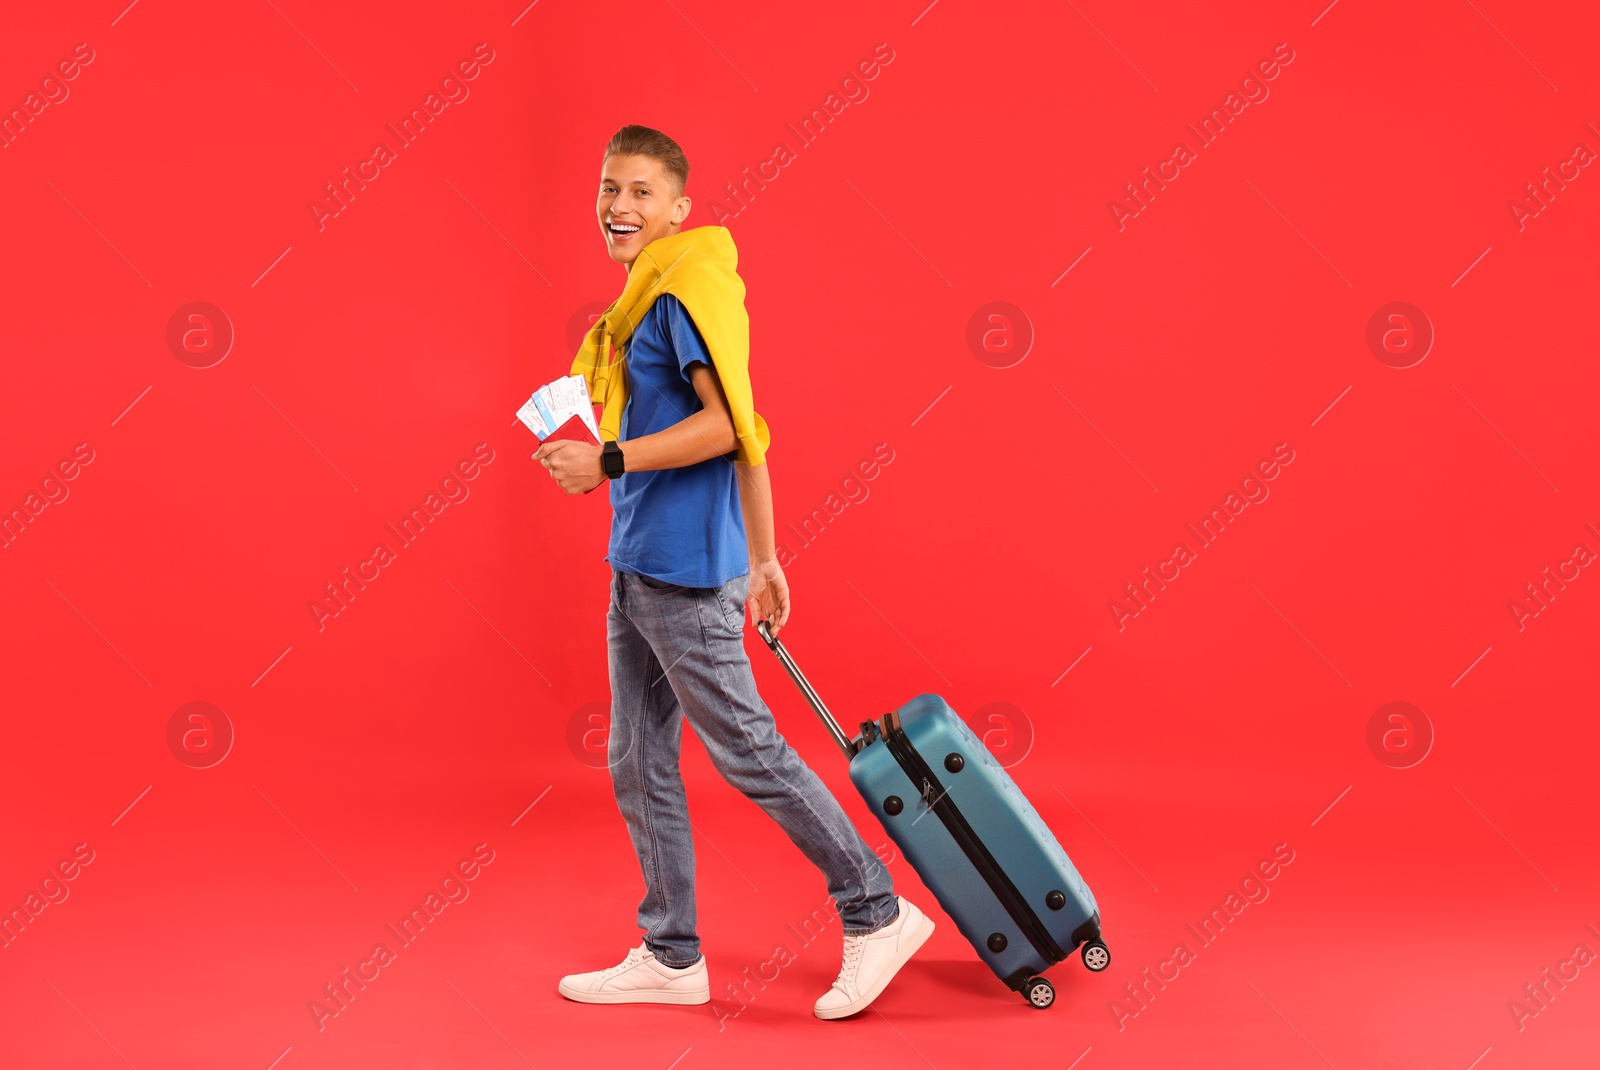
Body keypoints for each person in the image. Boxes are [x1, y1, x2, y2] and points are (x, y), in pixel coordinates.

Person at [537, 124, 932, 1020]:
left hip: (682, 576)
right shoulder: (651, 296)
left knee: (750, 755)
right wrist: (766, 558)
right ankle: (672, 954)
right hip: (638, 567)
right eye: (609, 189)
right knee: (637, 759)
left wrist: (606, 462)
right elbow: (756, 434)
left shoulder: (683, 295)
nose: (619, 207)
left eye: (640, 192)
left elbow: (728, 429)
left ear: (679, 209)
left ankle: (878, 908)